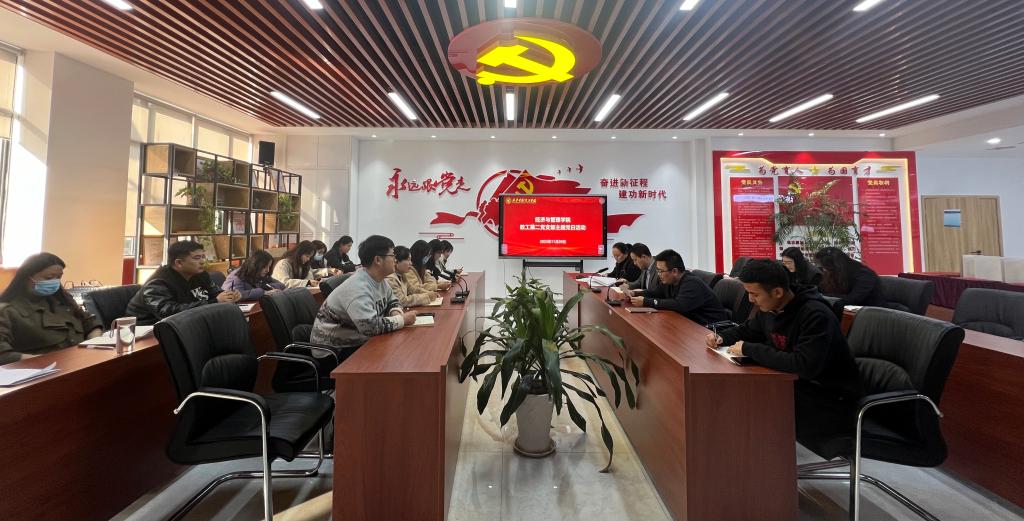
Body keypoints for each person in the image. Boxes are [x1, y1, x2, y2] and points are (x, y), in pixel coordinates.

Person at [705, 259, 861, 438]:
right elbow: (748, 330)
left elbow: (803, 365)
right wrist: (722, 336)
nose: (750, 300)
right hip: (794, 386)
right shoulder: (771, 308)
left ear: (778, 292)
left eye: (755, 294)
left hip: (829, 400)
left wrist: (749, 349)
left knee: (748, 400)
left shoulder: (816, 315)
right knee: (740, 394)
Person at [310, 235, 417, 350]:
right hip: (334, 349)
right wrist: (402, 320)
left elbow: (393, 301)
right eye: (392, 255)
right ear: (378, 260)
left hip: (360, 340)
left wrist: (396, 312)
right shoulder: (357, 287)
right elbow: (370, 327)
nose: (395, 260)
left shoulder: (379, 279)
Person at [0, 253, 104, 365]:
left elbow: (90, 323)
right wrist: (46, 362)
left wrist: (92, 344)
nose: (55, 282)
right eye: (49, 278)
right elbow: (3, 355)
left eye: (59, 277)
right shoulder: (7, 310)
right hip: (43, 370)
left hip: (80, 363)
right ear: (27, 277)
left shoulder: (64, 301)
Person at [126, 240, 241, 326]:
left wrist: (229, 296)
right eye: (197, 258)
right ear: (179, 263)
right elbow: (168, 312)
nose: (202, 261)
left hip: (185, 325)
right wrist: (215, 302)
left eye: (203, 257)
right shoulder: (157, 283)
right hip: (147, 330)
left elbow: (214, 293)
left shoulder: (200, 275)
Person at [629, 249, 729, 325]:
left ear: (675, 271)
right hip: (691, 324)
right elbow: (654, 292)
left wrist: (647, 301)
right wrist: (634, 293)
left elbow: (679, 305)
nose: (658, 274)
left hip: (712, 329)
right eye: (657, 271)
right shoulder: (669, 281)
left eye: (661, 271)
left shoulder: (691, 283)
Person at [813, 247, 884, 307]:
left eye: (826, 267)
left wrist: (824, 298)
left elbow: (852, 300)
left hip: (872, 313)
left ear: (835, 267)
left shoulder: (865, 275)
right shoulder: (836, 274)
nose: (824, 270)